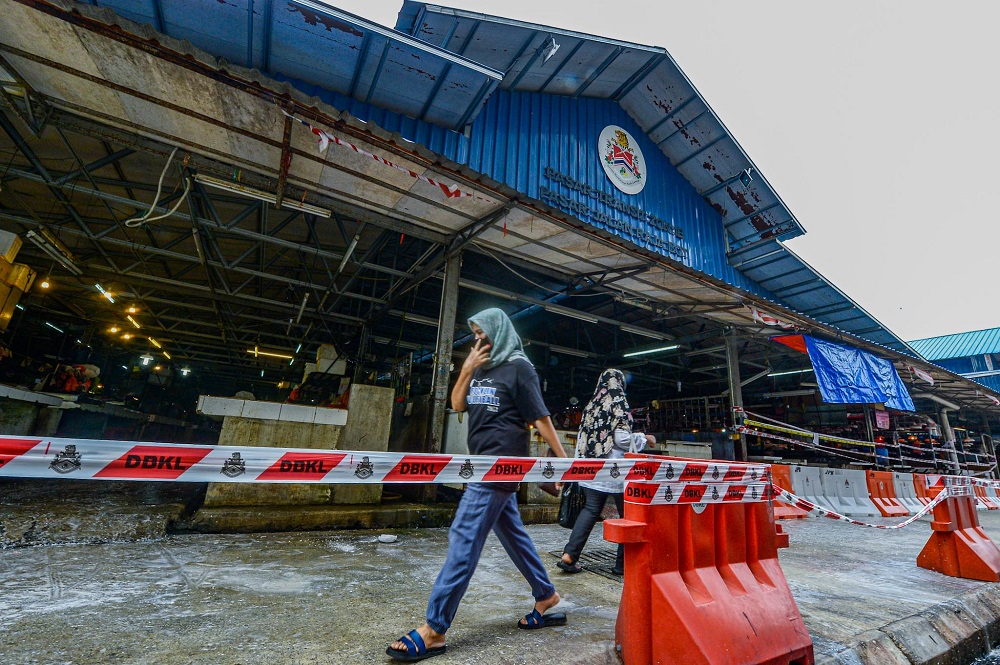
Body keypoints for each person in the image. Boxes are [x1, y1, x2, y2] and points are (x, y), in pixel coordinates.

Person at [387, 307, 570, 662]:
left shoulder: (520, 368)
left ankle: (435, 628)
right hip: (481, 468)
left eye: (482, 333)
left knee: (463, 538)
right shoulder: (482, 370)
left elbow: (540, 417)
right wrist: (466, 369)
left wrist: (563, 463)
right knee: (513, 535)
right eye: (473, 334)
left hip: (499, 471)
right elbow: (457, 404)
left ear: (498, 332)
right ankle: (546, 595)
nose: (477, 339)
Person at [558, 369, 654, 576]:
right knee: (627, 516)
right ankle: (622, 565)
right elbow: (621, 440)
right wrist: (645, 439)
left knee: (591, 509)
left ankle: (569, 555)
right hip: (615, 470)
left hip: (591, 469)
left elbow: (583, 440)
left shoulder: (591, 405)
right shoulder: (618, 401)